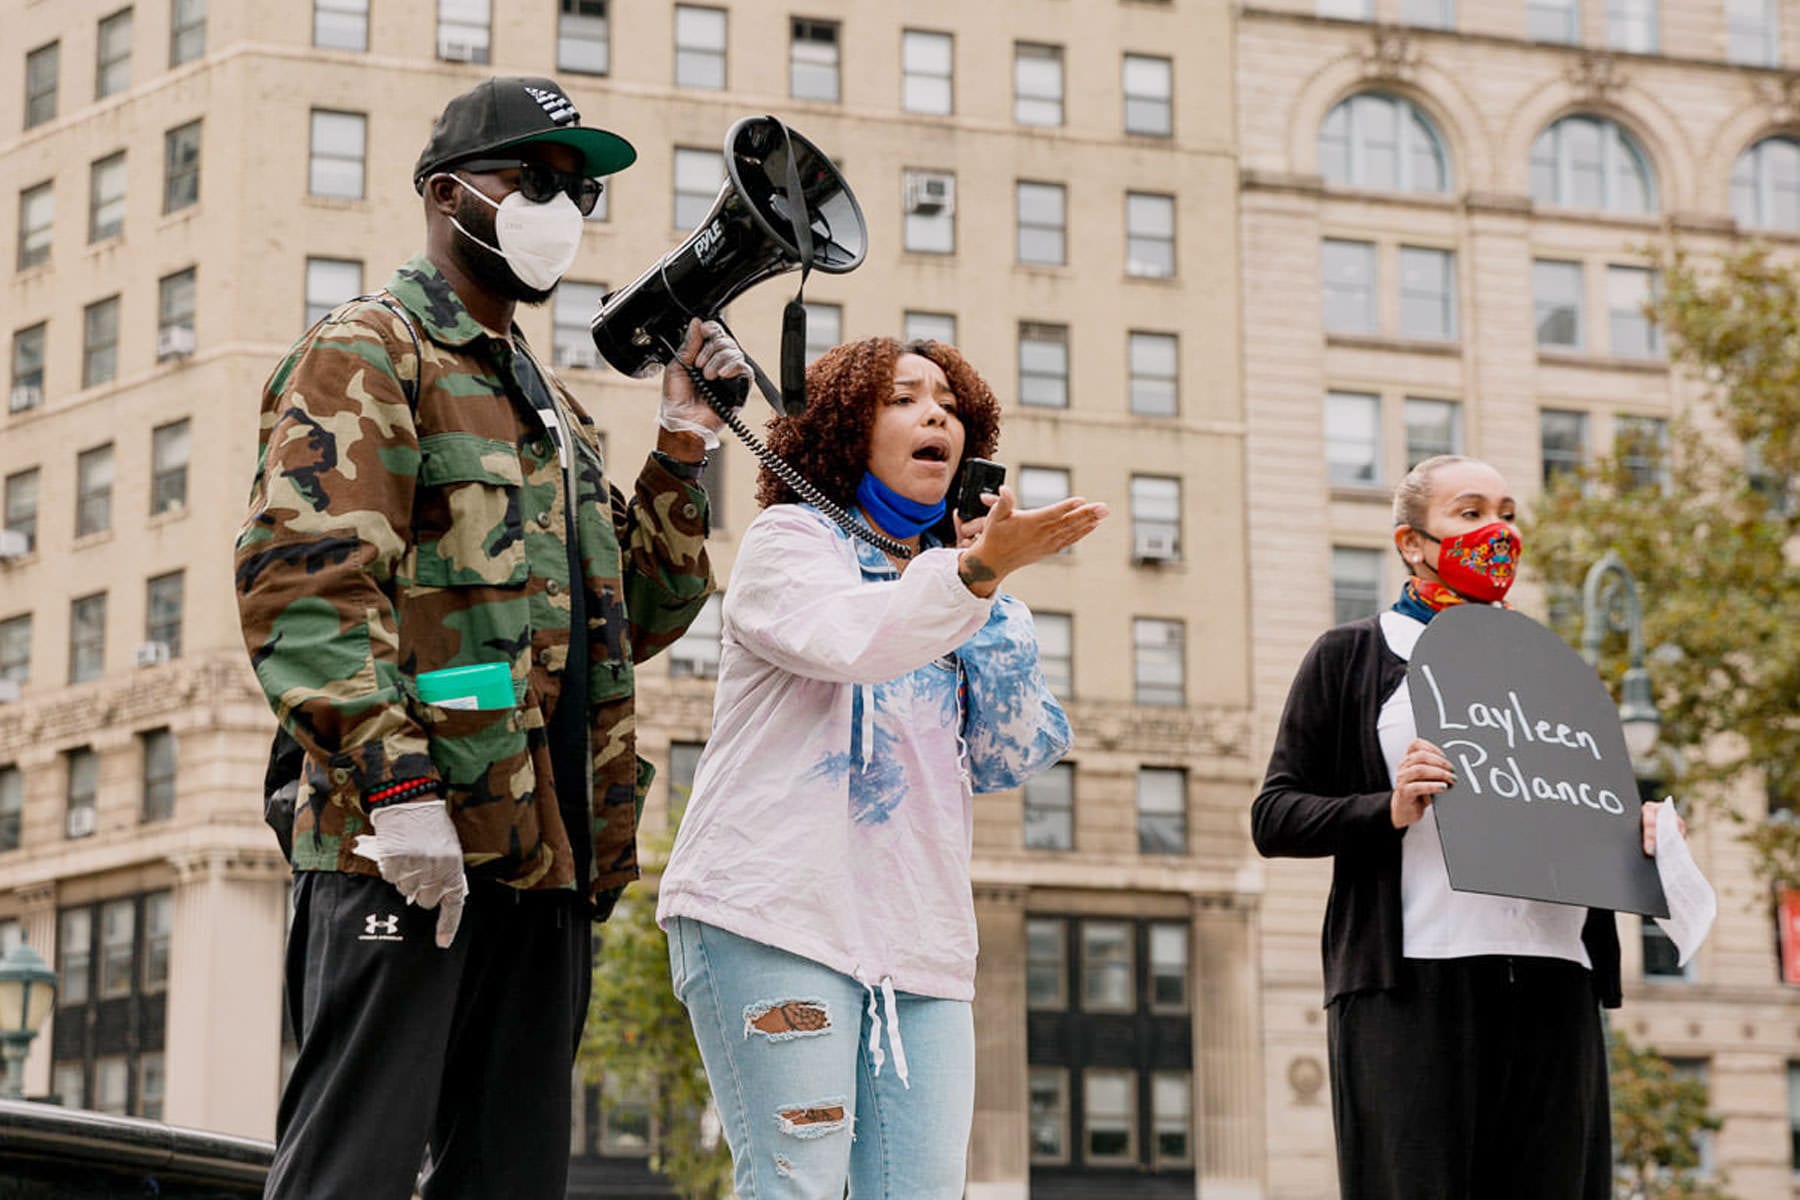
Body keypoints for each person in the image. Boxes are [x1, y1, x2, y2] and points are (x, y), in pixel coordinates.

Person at [234, 76, 750, 1199]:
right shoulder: (371, 352)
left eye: (577, 189)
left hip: (548, 861)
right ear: (444, 193)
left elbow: (641, 621)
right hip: (408, 849)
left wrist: (680, 449)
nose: (557, 206)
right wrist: (395, 789)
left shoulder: (550, 405)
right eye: (531, 180)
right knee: (353, 1173)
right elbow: (305, 587)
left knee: (506, 1181)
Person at [654, 337, 1107, 1198]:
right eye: (903, 399)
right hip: (775, 914)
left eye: (949, 404)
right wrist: (971, 575)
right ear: (842, 430)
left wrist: (988, 586)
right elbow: (851, 639)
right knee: (800, 1182)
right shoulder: (790, 542)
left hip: (918, 942)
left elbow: (1011, 752)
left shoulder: (964, 583)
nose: (937, 414)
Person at [1252, 454, 1681, 1200]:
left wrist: (1633, 829)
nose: (1498, 531)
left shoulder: (1556, 668)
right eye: (1471, 511)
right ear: (1412, 542)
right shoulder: (1352, 656)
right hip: (1414, 982)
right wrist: (1384, 807)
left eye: (1508, 513)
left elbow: (1578, 811)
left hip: (1556, 980)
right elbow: (1275, 814)